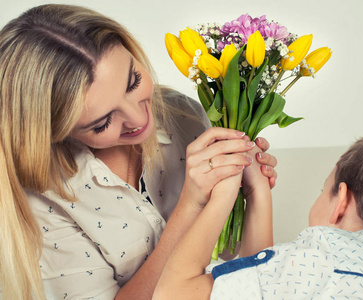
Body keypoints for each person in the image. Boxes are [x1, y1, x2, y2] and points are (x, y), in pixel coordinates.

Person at [0, 4, 279, 300]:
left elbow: (238, 270)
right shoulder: (41, 199)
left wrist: (251, 191)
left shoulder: (183, 114)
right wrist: (190, 206)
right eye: (102, 122)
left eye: (133, 81)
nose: (138, 119)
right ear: (55, 131)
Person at [154, 133, 363, 299]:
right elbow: (264, 290)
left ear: (341, 203)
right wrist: (258, 194)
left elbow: (172, 294)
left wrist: (223, 194)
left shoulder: (319, 260)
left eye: (324, 189)